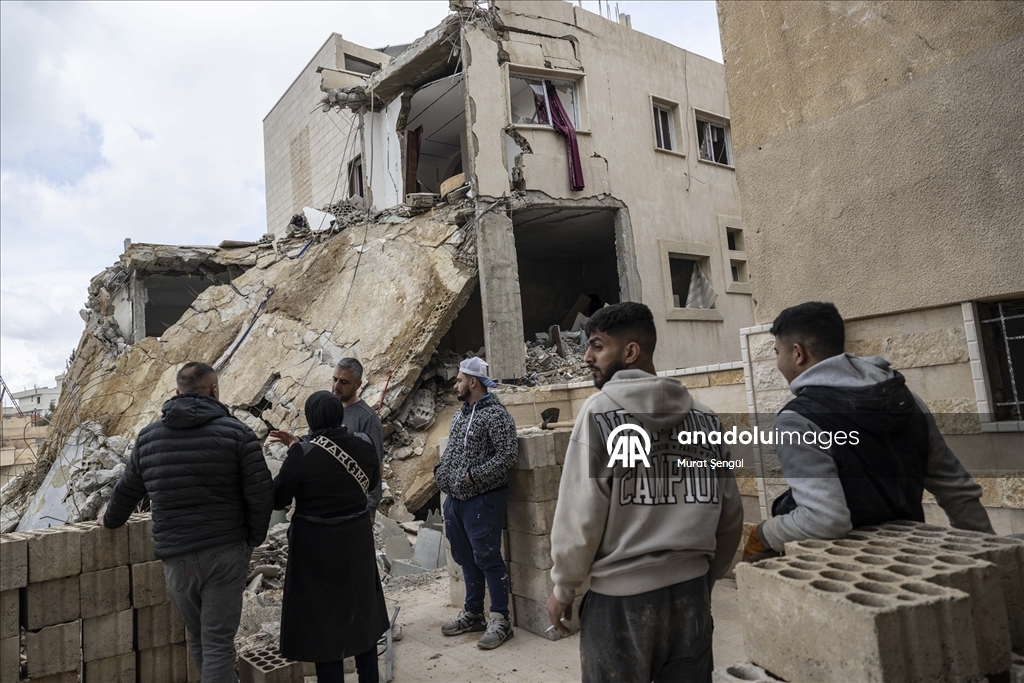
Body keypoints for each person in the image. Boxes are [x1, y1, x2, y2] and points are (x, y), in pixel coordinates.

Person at [546, 302, 743, 683]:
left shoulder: (598, 414)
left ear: (631, 352)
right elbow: (730, 515)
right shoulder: (705, 418)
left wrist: (563, 589)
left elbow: (580, 516)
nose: (587, 356)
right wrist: (703, 578)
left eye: (597, 345)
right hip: (691, 597)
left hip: (621, 604)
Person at [743, 301, 993, 561]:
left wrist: (763, 534)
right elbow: (956, 489)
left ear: (798, 353)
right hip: (910, 563)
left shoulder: (799, 419)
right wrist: (990, 554)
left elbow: (823, 520)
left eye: (777, 353)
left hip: (843, 573)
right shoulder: (907, 401)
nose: (778, 363)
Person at [102, 362, 273, 683]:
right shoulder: (238, 433)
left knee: (199, 639)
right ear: (214, 390)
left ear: (177, 392)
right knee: (219, 643)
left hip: (177, 559)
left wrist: (110, 521)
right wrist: (252, 540)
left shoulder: (149, 438)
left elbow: (127, 490)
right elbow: (262, 494)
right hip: (225, 553)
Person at [272, 391, 390, 683]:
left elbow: (277, 497)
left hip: (317, 551)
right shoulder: (362, 445)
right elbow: (373, 482)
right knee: (361, 615)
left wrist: (296, 451)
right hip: (357, 543)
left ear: (312, 418)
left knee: (324, 625)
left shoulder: (303, 453)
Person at [433, 357, 519, 650]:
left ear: (473, 381)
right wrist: (441, 474)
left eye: (458, 379)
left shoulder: (496, 415)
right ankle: (473, 614)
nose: (455, 384)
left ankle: (500, 621)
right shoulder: (461, 413)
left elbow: (508, 455)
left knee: (488, 558)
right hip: (456, 501)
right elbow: (453, 451)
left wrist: (474, 477)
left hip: (483, 499)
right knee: (466, 558)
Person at [271, 358, 384, 522]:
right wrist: (299, 442)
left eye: (344, 382)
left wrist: (371, 508)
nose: (336, 386)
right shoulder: (326, 407)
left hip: (350, 505)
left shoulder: (367, 418)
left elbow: (376, 464)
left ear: (358, 385)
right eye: (335, 379)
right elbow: (315, 440)